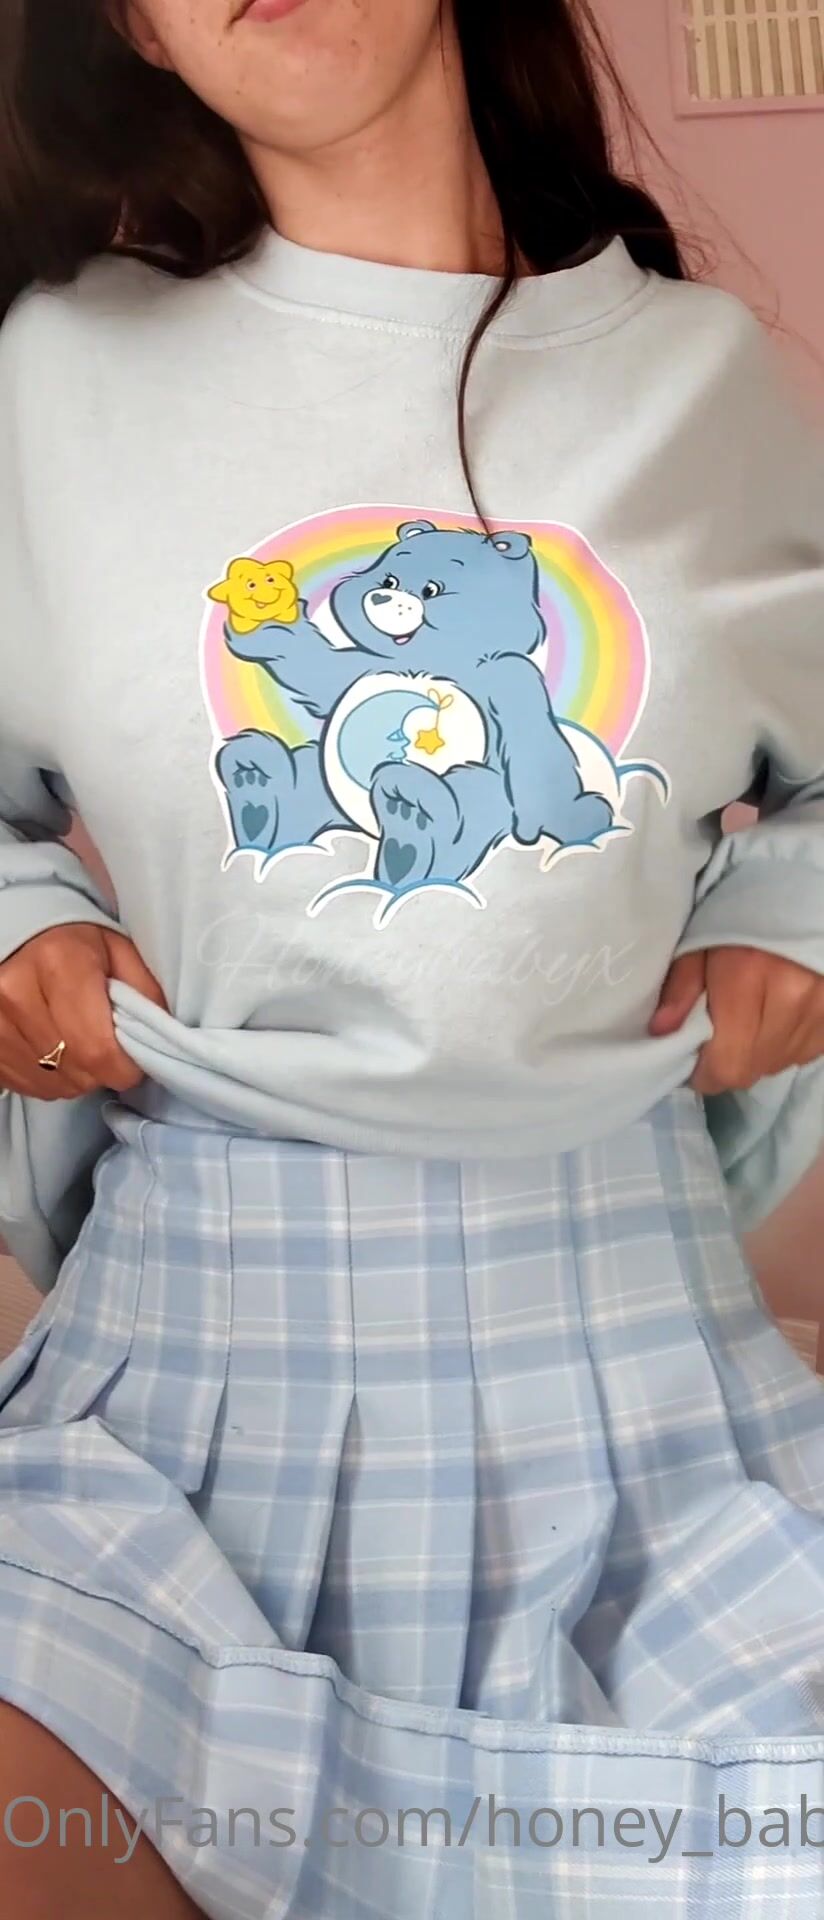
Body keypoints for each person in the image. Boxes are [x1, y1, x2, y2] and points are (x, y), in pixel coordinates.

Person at [0, 1, 823, 1915]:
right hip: (179, 1405)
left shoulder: (700, 382)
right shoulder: (47, 382)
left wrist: (790, 921)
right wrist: (23, 921)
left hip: (651, 1403)